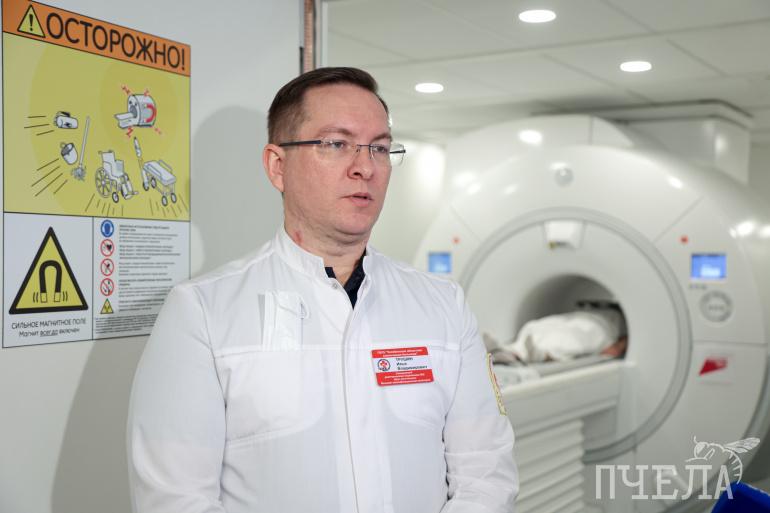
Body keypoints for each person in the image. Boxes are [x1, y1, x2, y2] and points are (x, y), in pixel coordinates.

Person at [127, 67, 518, 513]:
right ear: (278, 166)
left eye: (379, 148)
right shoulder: (202, 312)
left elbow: (487, 472)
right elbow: (175, 499)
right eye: (335, 144)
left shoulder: (443, 305)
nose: (365, 167)